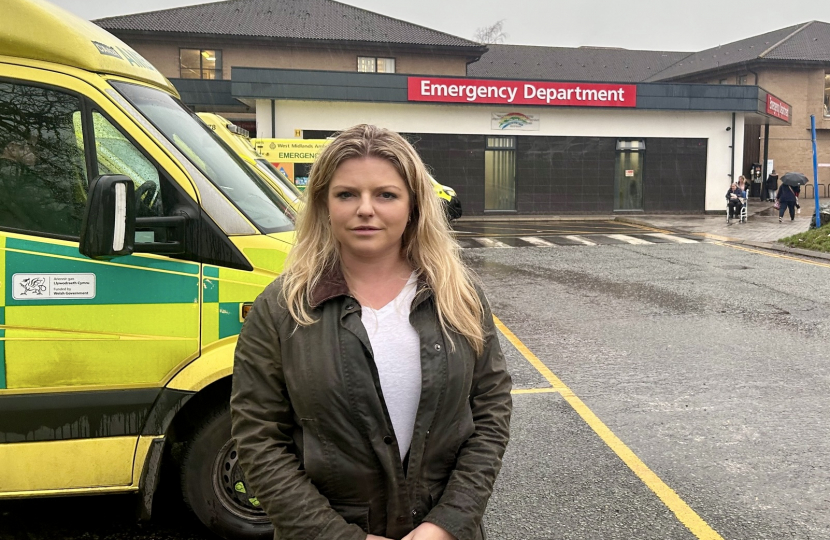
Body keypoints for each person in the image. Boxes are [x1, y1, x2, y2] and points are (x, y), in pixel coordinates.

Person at [230, 124, 513, 540]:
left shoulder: (459, 296)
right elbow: (259, 439)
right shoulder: (282, 307)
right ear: (324, 204)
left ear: (413, 205)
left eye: (386, 194)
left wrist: (449, 522)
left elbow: (490, 411)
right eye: (347, 194)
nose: (366, 209)